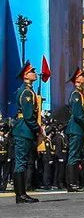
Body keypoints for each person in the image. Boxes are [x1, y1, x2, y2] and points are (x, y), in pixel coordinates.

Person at [11, 62, 42, 204]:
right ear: (26, 75)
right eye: (32, 71)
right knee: (21, 162)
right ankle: (21, 194)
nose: (35, 73)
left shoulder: (26, 90)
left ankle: (21, 194)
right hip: (24, 130)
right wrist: (38, 128)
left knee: (21, 162)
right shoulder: (27, 92)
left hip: (23, 129)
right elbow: (29, 115)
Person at [65, 68, 84, 192]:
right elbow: (77, 115)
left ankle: (74, 182)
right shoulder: (76, 94)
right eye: (82, 75)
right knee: (73, 156)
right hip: (76, 128)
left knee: (76, 156)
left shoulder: (81, 93)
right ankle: (71, 184)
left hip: (79, 129)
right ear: (77, 79)